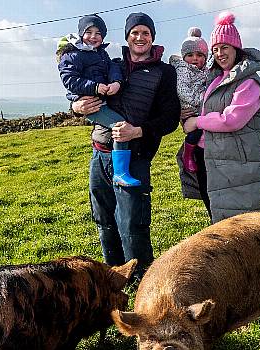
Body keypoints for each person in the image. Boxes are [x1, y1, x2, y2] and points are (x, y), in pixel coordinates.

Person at [70, 12, 180, 281]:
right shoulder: (111, 64)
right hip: (100, 155)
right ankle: (114, 281)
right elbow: (83, 89)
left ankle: (142, 284)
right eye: (135, 33)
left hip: (136, 158)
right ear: (127, 37)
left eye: (145, 33)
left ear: (152, 37)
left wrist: (137, 131)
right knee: (104, 221)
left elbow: (170, 118)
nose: (140, 38)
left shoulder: (164, 72)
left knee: (133, 225)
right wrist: (75, 108)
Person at [181, 12, 260, 224]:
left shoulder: (248, 82)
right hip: (210, 157)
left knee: (237, 222)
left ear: (236, 48)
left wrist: (197, 122)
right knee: (218, 217)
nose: (219, 53)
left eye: (224, 47)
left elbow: (232, 119)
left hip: (235, 162)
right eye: (215, 49)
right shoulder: (217, 78)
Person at [58, 14, 141, 187]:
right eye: (89, 32)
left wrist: (116, 82)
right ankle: (120, 173)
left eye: (98, 33)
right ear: (81, 34)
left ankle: (120, 171)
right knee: (120, 126)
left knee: (119, 126)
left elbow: (112, 68)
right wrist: (95, 87)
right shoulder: (72, 55)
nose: (94, 36)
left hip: (100, 101)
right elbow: (69, 80)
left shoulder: (101, 54)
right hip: (91, 103)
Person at [169, 27, 209, 175]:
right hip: (189, 108)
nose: (195, 58)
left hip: (199, 109)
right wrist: (202, 98)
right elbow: (183, 92)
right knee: (196, 131)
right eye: (190, 55)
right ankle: (188, 154)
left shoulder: (205, 71)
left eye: (199, 55)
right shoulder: (182, 71)